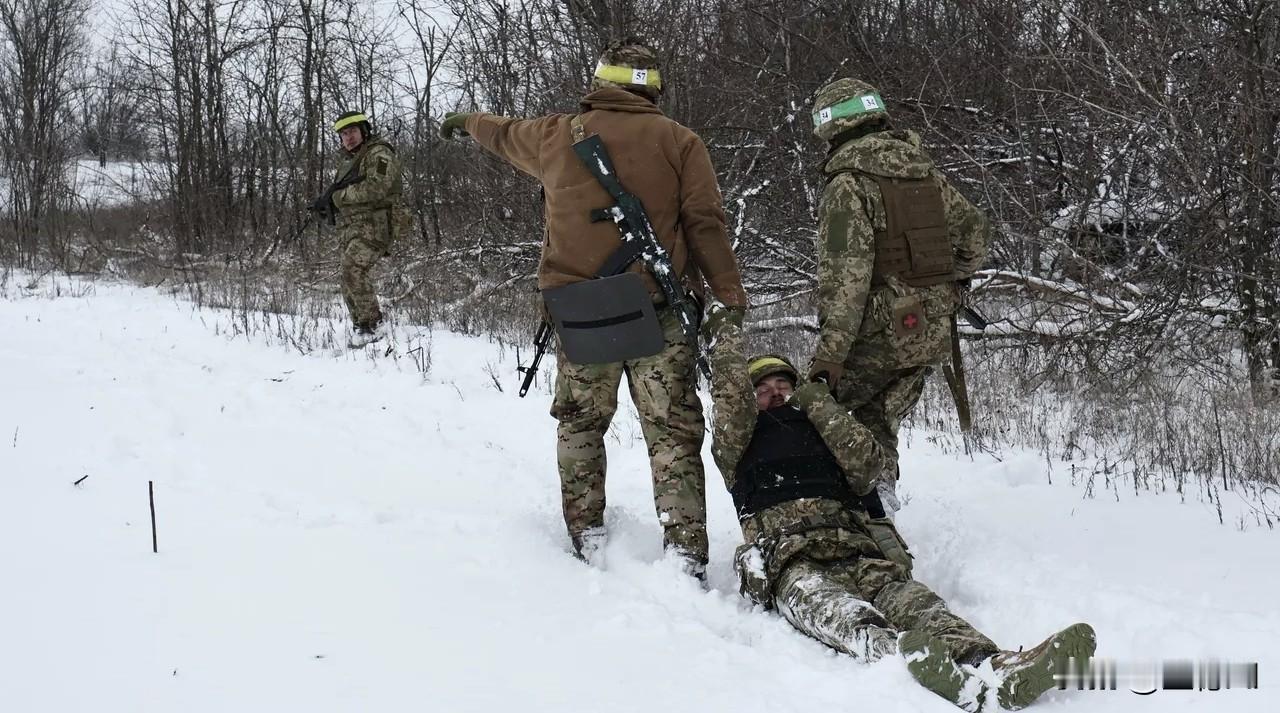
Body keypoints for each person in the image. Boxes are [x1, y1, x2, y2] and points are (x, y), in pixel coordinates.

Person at [438, 38, 747, 579]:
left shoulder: (554, 134)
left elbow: (502, 133)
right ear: (652, 87)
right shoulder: (681, 141)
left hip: (581, 314)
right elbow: (705, 225)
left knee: (580, 424)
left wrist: (467, 121)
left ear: (600, 81)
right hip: (658, 312)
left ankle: (587, 537)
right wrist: (729, 296)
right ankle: (685, 555)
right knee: (672, 432)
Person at [702, 303, 1096, 711]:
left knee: (919, 605)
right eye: (762, 391)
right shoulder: (737, 443)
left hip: (856, 549)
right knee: (843, 615)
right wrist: (724, 330)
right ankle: (911, 662)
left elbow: (869, 464)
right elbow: (729, 400)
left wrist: (819, 404)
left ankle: (994, 665)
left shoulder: (825, 430)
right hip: (790, 559)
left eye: (783, 385)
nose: (775, 394)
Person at [804, 78, 991, 509]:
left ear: (831, 127)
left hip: (878, 333)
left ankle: (823, 508)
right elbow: (976, 235)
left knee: (813, 412)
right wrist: (950, 281)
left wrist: (830, 357)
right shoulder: (926, 174)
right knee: (881, 419)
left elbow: (845, 281)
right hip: (929, 330)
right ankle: (880, 500)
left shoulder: (847, 185)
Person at [310, 110, 404, 348]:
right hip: (353, 228)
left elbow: (377, 188)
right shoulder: (349, 162)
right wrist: (327, 205)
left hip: (377, 225)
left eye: (352, 131)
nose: (348, 137)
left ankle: (373, 325)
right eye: (343, 134)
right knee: (347, 276)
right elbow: (349, 195)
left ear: (364, 131)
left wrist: (338, 198)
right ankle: (360, 325)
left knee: (352, 269)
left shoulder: (379, 153)